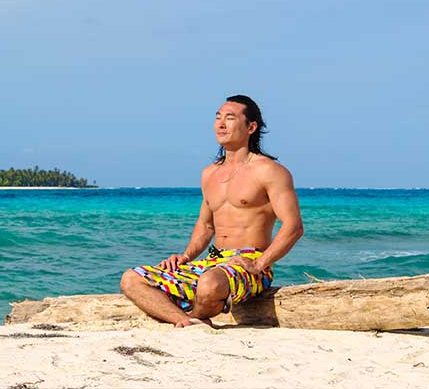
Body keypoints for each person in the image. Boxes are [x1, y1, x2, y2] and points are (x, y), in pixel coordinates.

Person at [120, 94, 303, 327]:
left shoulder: (270, 171)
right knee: (131, 279)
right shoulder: (210, 174)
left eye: (230, 118)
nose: (221, 124)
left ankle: (192, 315)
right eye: (218, 117)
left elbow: (294, 227)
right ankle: (185, 322)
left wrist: (259, 264)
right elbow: (206, 226)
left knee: (209, 284)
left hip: (248, 262)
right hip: (212, 261)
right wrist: (185, 257)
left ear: (251, 127)